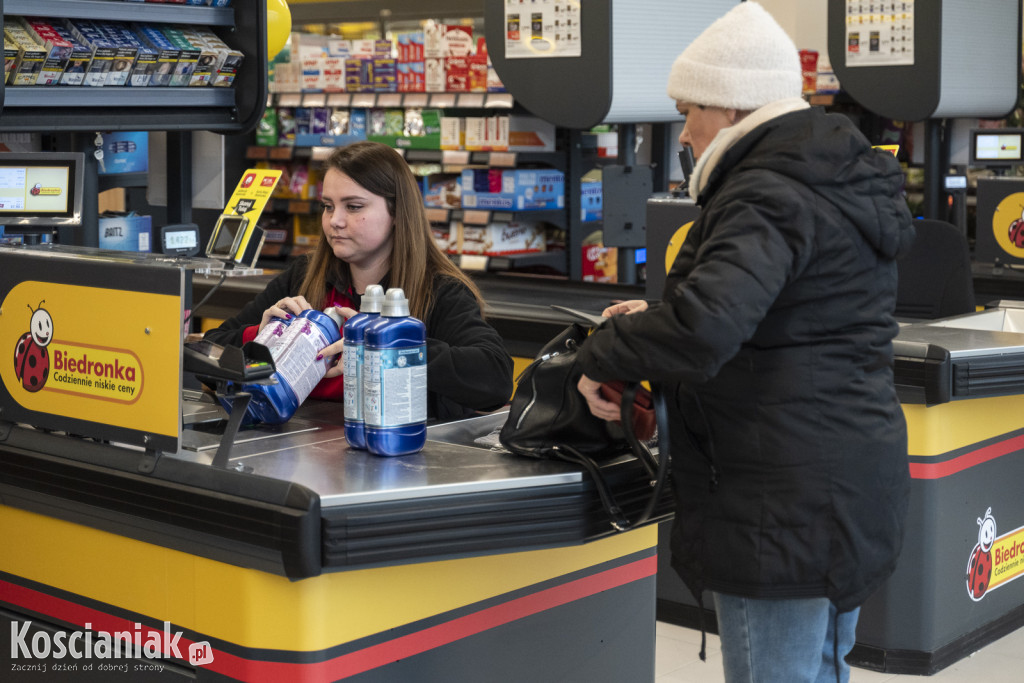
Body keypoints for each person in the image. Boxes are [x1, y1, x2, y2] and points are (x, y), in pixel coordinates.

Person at [574, 3, 914, 682]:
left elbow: (703, 332)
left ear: (726, 109)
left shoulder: (765, 191)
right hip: (844, 478)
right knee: (822, 669)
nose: (687, 133)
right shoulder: (827, 175)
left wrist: (601, 353)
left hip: (779, 502)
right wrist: (660, 313)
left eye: (688, 111)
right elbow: (784, 312)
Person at [204, 140, 513, 422]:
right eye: (328, 206)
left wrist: (387, 346)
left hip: (395, 461)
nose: (334, 220)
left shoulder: (440, 291)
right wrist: (262, 336)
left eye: (353, 207)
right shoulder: (305, 277)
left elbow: (495, 378)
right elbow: (208, 351)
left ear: (396, 212)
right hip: (299, 454)